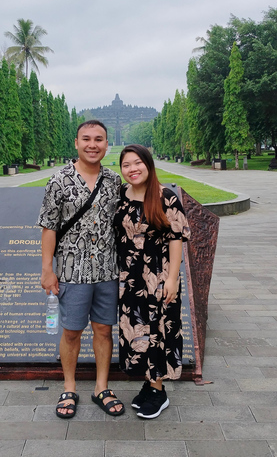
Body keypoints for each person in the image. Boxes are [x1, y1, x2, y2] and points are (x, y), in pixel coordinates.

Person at [38, 120, 125, 419]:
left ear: (106, 144)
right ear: (76, 143)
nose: (92, 145)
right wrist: (47, 269)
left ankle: (101, 386)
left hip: (106, 269)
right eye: (86, 139)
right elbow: (48, 227)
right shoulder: (59, 180)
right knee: (72, 331)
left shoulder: (114, 181)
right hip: (72, 271)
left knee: (103, 329)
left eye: (99, 139)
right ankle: (70, 386)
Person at [113, 144, 191, 419]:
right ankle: (149, 381)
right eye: (126, 165)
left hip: (158, 278)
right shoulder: (121, 195)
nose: (132, 169)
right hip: (129, 279)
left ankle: (159, 390)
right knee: (136, 328)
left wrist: (172, 279)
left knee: (158, 330)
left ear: (148, 164)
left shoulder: (164, 197)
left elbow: (177, 238)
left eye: (137, 163)